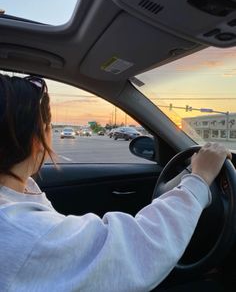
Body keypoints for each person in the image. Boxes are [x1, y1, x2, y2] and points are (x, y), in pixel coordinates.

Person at [0, 74, 231, 292]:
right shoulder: (24, 232)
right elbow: (138, 249)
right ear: (35, 139)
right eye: (48, 126)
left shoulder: (17, 197)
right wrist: (199, 179)